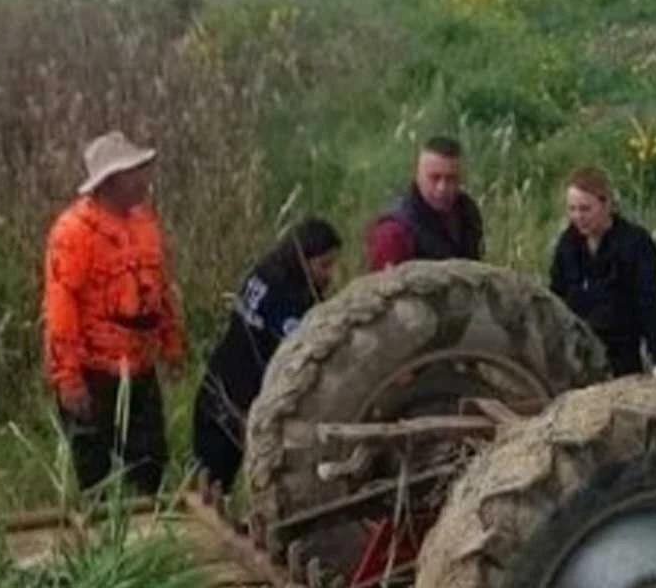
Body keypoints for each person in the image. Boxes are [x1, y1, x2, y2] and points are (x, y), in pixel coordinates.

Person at [42, 130, 187, 497]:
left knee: (151, 464)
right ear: (109, 181)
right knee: (95, 476)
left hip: (140, 368)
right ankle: (102, 548)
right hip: (95, 373)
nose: (143, 179)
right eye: (133, 172)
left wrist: (171, 345)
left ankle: (147, 542)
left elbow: (160, 286)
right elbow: (61, 308)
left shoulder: (144, 221)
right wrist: (68, 379)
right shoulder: (73, 232)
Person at [191, 217, 342, 495]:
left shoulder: (263, 272)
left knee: (209, 478)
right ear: (303, 260)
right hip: (239, 399)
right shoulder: (292, 300)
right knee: (217, 482)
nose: (329, 275)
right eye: (323, 266)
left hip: (217, 382)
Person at [549, 166, 656, 379]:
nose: (578, 217)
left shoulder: (636, 244)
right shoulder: (568, 244)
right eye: (572, 209)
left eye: (585, 209)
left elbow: (649, 302)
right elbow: (555, 299)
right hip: (575, 356)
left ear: (606, 204)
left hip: (620, 357)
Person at [366, 135, 484, 271]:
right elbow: (383, 288)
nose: (442, 188)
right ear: (417, 176)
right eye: (435, 178)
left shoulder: (467, 211)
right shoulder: (394, 231)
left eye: (451, 179)